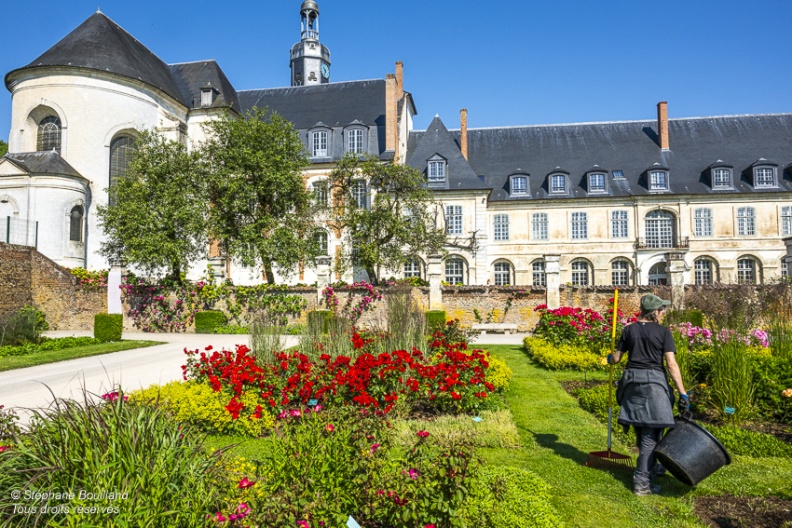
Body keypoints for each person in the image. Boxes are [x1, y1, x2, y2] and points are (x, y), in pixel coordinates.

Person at [607, 293, 689, 496]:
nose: (664, 314)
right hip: (653, 384)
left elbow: (616, 359)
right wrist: (683, 393)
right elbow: (671, 364)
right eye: (663, 311)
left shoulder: (628, 330)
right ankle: (642, 482)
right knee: (651, 435)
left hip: (632, 384)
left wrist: (609, 358)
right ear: (656, 312)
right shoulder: (663, 333)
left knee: (641, 428)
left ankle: (652, 467)